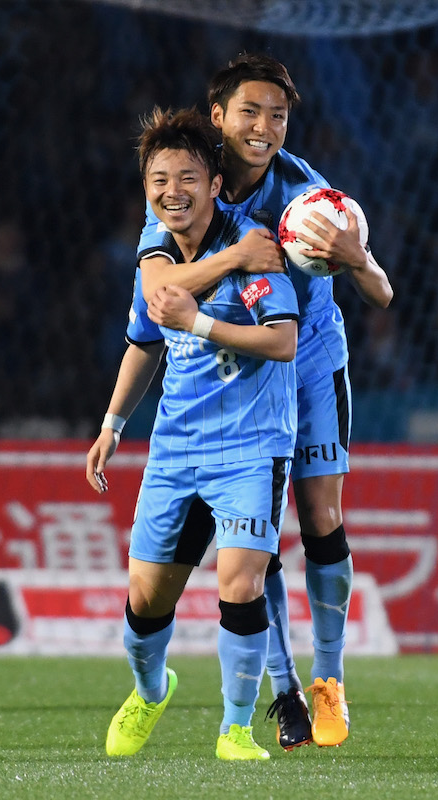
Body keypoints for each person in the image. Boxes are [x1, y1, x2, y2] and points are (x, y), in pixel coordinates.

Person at [89, 54, 393, 750]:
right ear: (218, 115)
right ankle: (283, 689)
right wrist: (232, 260)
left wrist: (355, 256)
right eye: (249, 112)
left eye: (277, 115)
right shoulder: (185, 183)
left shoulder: (307, 194)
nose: (263, 127)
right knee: (252, 543)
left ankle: (328, 678)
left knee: (321, 518)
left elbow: (381, 294)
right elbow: (156, 299)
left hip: (306, 357)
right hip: (235, 376)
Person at [88, 106, 300, 761]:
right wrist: (112, 424)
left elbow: (283, 342)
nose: (172, 191)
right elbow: (144, 338)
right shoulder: (155, 246)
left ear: (215, 184)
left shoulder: (255, 247)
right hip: (176, 449)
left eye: (187, 177)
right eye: (159, 179)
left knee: (240, 582)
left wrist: (201, 321)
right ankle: (151, 690)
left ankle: (235, 730)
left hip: (252, 447)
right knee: (144, 601)